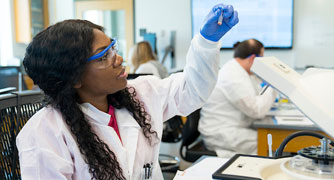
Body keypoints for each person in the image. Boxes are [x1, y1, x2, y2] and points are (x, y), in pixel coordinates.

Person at [16, 4, 238, 180]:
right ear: (73, 77)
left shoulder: (140, 93)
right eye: (103, 56)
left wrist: (207, 41)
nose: (118, 58)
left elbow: (193, 90)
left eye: (113, 47)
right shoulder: (44, 133)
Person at [198, 39, 277, 158]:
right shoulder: (232, 76)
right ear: (252, 59)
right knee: (269, 143)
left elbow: (257, 98)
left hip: (232, 128)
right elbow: (256, 110)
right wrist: (273, 85)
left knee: (271, 140)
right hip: (221, 133)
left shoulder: (240, 72)